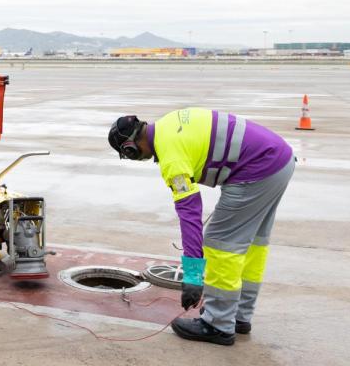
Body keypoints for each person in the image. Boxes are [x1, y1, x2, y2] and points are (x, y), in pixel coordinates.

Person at [108, 108, 295, 346]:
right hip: (279, 160)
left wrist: (194, 277)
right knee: (253, 243)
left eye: (131, 155)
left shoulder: (171, 156)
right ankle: (238, 316)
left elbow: (190, 214)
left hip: (257, 170)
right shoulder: (168, 125)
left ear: (130, 147)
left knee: (221, 242)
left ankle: (217, 323)